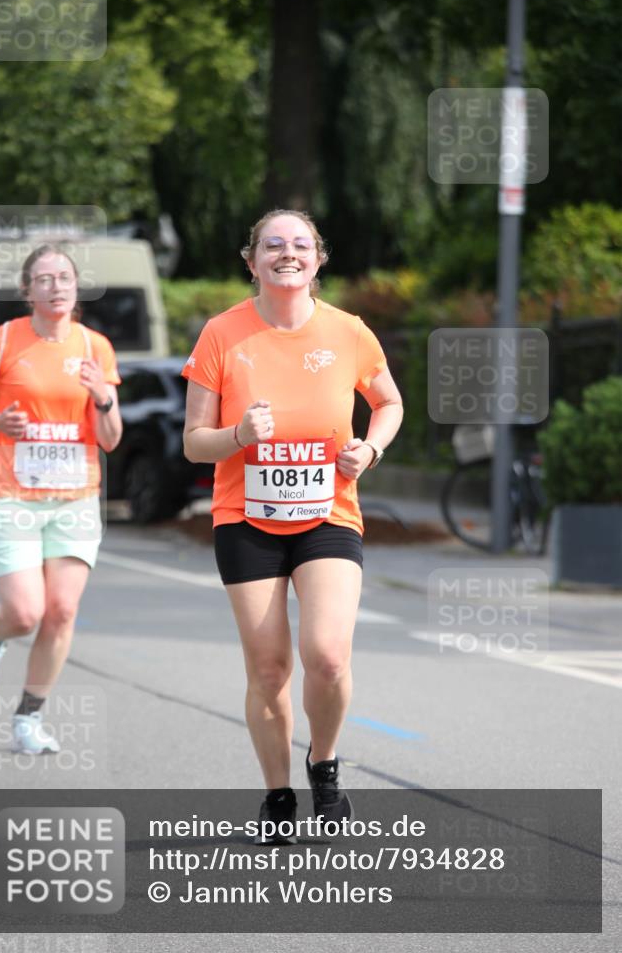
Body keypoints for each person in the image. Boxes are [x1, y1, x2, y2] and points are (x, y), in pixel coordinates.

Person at [182, 209, 403, 842]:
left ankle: (324, 765)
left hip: (328, 513)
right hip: (246, 519)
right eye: (272, 245)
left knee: (328, 657)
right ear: (250, 261)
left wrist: (369, 449)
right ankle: (278, 794)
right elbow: (195, 443)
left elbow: (388, 402)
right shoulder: (222, 334)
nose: (288, 253)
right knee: (271, 669)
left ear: (318, 258)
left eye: (300, 244)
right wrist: (237, 435)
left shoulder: (350, 332)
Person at [0, 244, 122, 754]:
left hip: (75, 499)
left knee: (62, 612)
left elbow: (111, 438)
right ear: (28, 290)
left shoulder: (96, 348)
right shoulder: (2, 342)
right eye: (44, 279)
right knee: (26, 613)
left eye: (64, 277)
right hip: (10, 496)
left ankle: (28, 719)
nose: (56, 286)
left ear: (76, 287)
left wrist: (103, 397)